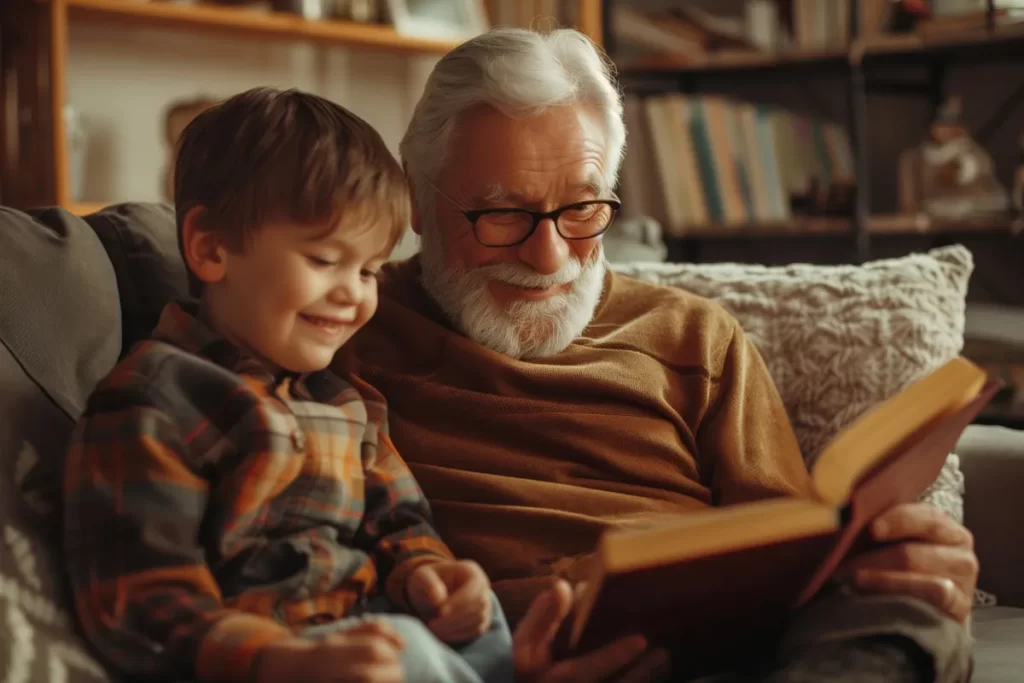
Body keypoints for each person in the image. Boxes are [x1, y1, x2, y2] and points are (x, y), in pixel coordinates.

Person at [334, 28, 978, 683]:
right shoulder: (342, 329)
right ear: (417, 195)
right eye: (502, 215)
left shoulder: (693, 336)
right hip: (503, 651)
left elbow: (789, 545)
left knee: (900, 607)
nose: (549, 257)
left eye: (583, 209)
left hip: (727, 647)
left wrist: (877, 561)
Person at [63, 87, 514, 683]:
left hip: (372, 628)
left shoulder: (348, 403)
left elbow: (400, 523)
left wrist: (430, 576)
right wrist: (275, 658)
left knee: (487, 622)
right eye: (325, 260)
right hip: (269, 657)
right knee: (408, 650)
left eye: (369, 269)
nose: (354, 292)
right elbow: (139, 595)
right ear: (211, 247)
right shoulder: (156, 401)